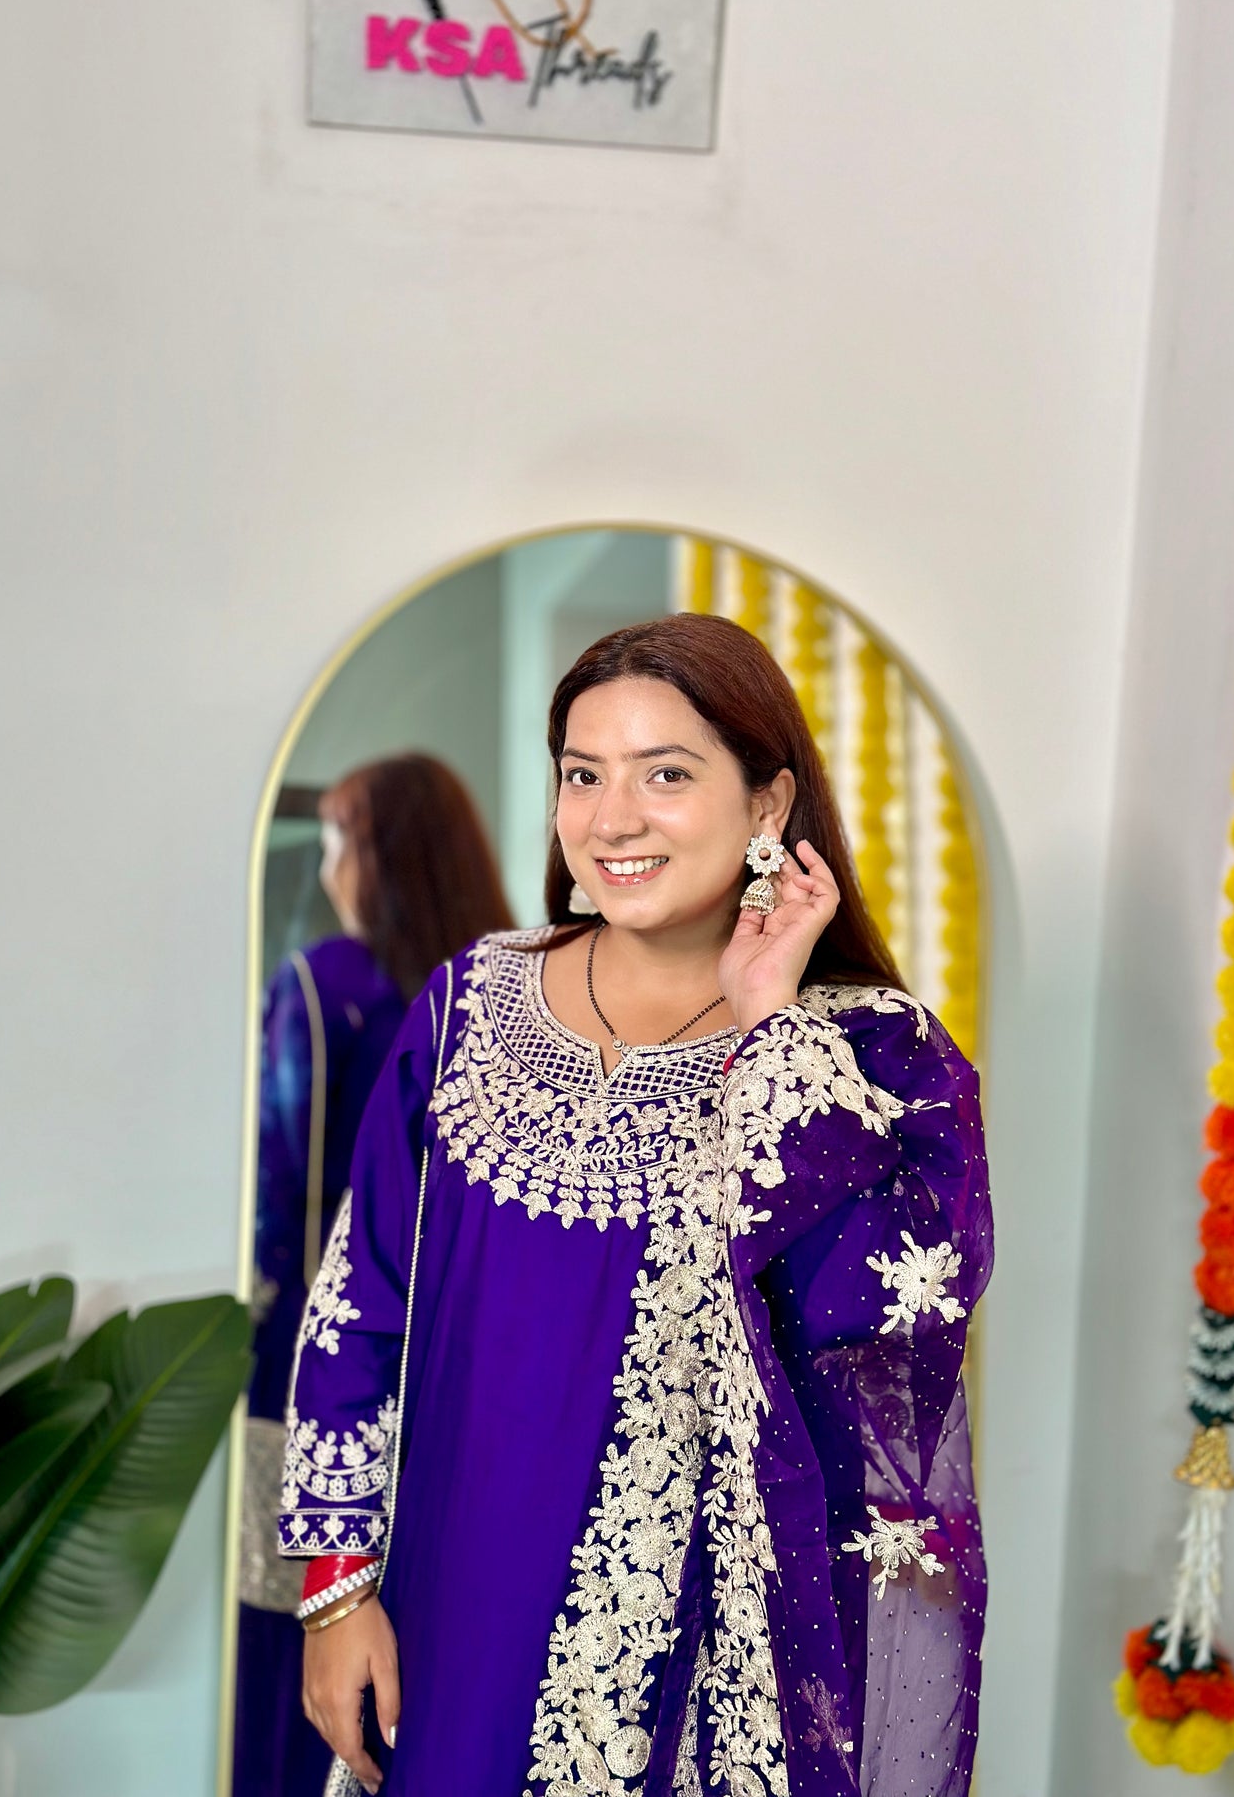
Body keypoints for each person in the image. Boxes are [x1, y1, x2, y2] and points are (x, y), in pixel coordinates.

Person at [279, 615, 992, 1797]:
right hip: (444, 1618)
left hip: (705, 1662)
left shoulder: (875, 1059)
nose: (612, 818)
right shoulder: (466, 1011)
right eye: (581, 774)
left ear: (767, 806)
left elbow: (876, 1331)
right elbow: (358, 1303)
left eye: (665, 773)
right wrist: (336, 1587)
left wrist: (769, 1022)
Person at [236, 753, 513, 1797]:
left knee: (298, 1626)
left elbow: (282, 1175)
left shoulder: (322, 986)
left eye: (345, 839)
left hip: (329, 1344)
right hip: (460, 1362)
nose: (334, 866)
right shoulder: (503, 998)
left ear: (383, 855)